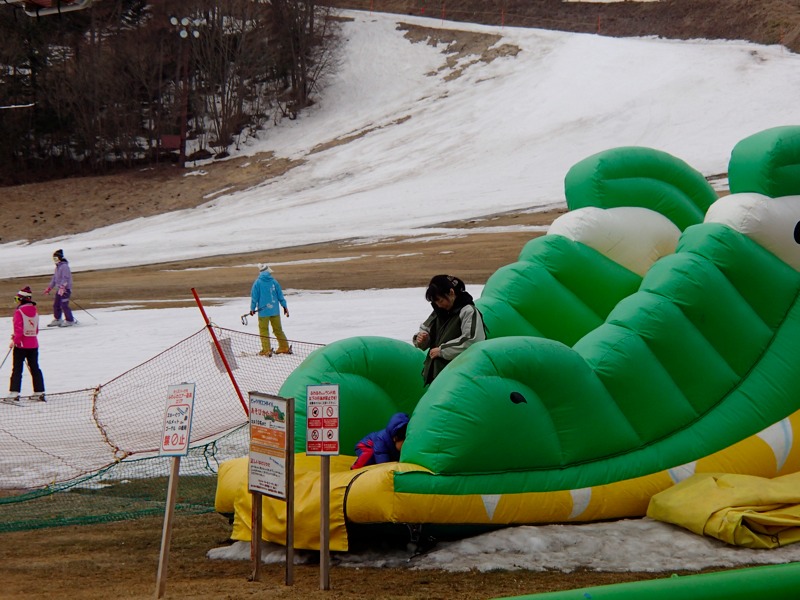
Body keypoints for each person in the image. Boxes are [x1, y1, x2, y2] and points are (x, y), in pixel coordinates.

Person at [412, 274, 486, 385]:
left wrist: (442, 351)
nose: (439, 305)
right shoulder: (438, 312)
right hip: (439, 376)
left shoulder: (468, 311)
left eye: (440, 301)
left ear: (451, 292)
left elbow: (472, 340)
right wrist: (421, 339)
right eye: (435, 302)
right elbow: (425, 330)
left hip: (461, 377)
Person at [6, 287, 45, 402]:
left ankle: (14, 393)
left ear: (22, 299)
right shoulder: (35, 311)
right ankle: (39, 391)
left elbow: (19, 330)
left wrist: (15, 341)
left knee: (17, 369)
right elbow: (36, 330)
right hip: (33, 344)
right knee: (35, 368)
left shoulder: (19, 312)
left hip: (21, 345)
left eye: (18, 299)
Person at [249, 263, 291, 356]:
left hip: (263, 312)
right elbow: (280, 295)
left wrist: (252, 309)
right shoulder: (274, 282)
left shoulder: (257, 283)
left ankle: (266, 350)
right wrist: (285, 307)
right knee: (278, 329)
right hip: (275, 311)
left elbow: (254, 297)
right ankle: (284, 347)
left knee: (263, 330)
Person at [43, 248, 76, 327]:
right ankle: (58, 319)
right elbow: (54, 279)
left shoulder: (64, 266)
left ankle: (70, 320)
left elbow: (66, 278)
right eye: (53, 258)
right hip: (59, 289)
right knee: (56, 305)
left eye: (56, 258)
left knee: (64, 304)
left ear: (60, 258)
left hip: (66, 289)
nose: (54, 260)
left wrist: (62, 287)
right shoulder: (57, 267)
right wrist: (49, 288)